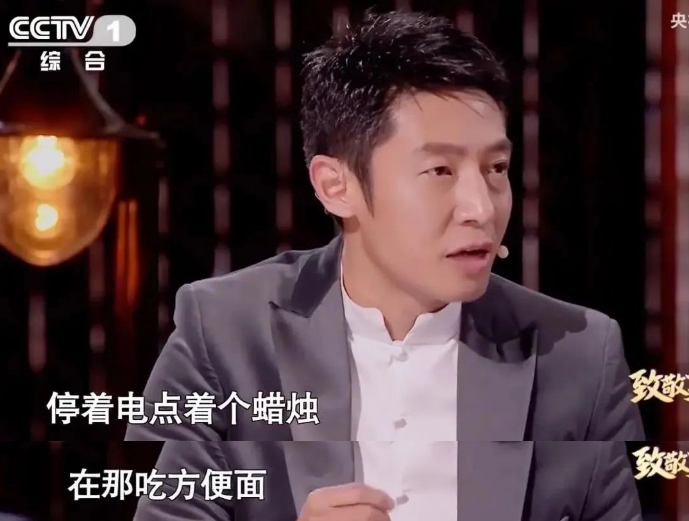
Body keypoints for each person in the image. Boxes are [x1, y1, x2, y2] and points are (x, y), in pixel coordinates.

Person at [127, 8, 644, 519]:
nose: (482, 208)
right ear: (336, 186)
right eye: (440, 170)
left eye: (496, 168)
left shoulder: (578, 354)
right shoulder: (225, 332)